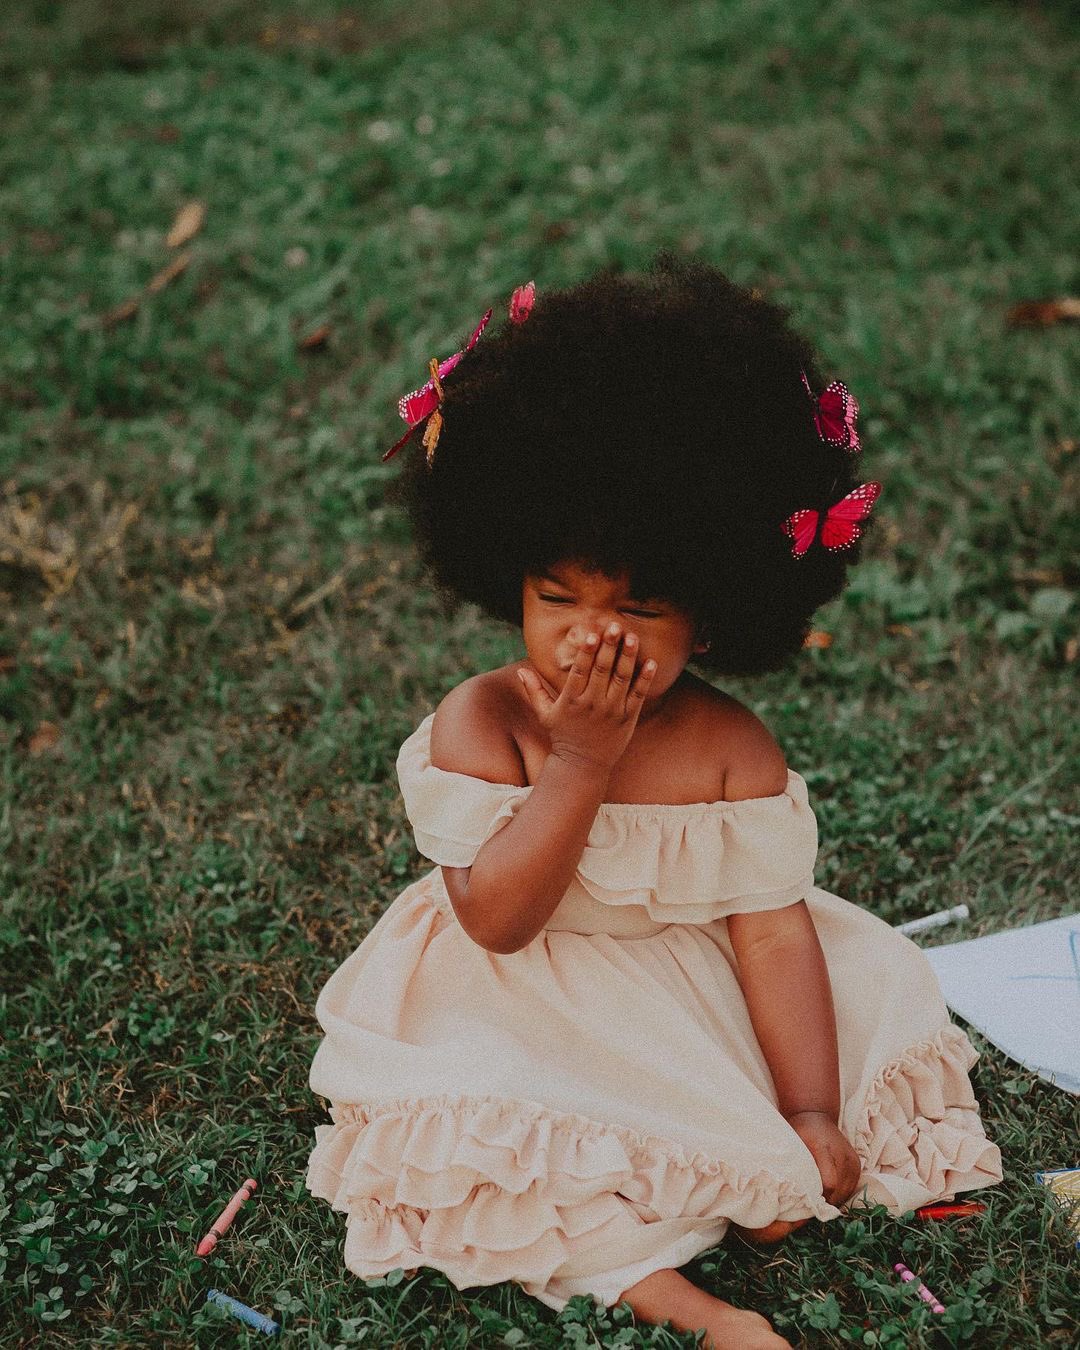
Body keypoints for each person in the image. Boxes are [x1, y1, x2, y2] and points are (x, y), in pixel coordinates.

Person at [305, 255, 1001, 1349]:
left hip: (693, 985)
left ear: (713, 617)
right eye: (555, 597)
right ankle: (686, 1305)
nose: (594, 633)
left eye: (640, 606)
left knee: (803, 1096)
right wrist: (578, 763)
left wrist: (810, 1109)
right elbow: (497, 919)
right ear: (506, 578)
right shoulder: (484, 724)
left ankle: (741, 1171)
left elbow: (770, 939)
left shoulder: (729, 748)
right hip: (514, 995)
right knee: (499, 1147)